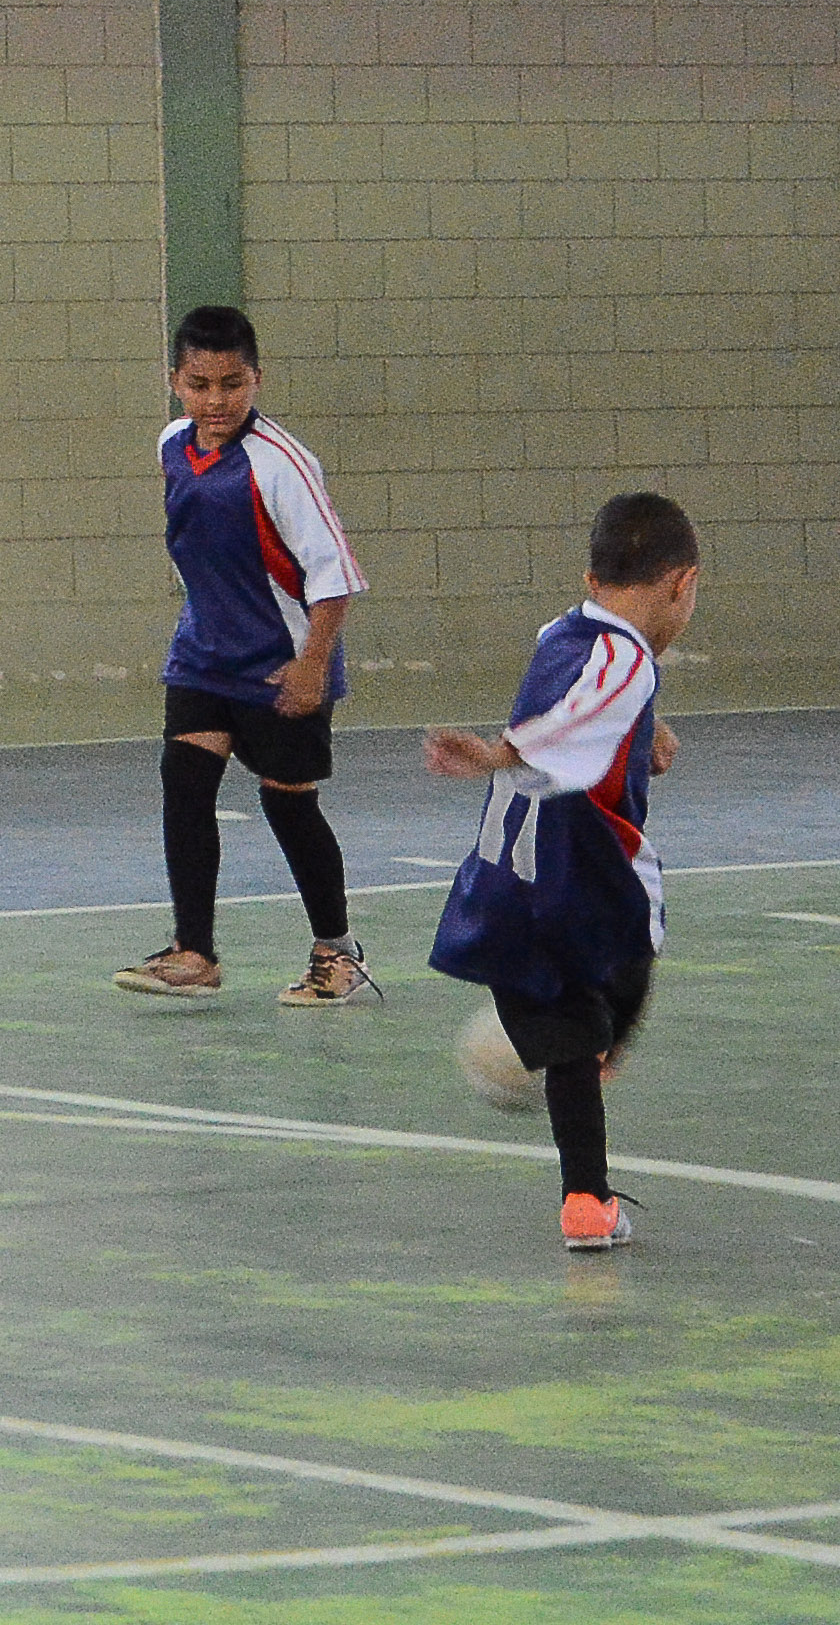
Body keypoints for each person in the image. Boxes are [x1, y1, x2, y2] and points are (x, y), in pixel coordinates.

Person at [423, 490, 700, 1254]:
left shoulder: (565, 632)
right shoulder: (627, 662)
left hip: (504, 883)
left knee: (568, 1033)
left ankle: (587, 1202)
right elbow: (573, 714)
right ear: (683, 583)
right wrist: (497, 753)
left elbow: (585, 694)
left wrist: (649, 730)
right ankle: (599, 1059)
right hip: (586, 876)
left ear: (591, 576)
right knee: (633, 955)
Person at [123, 304, 372, 1009]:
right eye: (200, 384)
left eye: (232, 383)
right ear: (176, 381)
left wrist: (313, 666)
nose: (217, 400)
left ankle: (338, 953)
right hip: (204, 654)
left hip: (281, 659)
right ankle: (195, 951)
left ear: (257, 379)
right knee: (185, 781)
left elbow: (334, 577)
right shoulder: (173, 445)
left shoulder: (283, 465)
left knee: (288, 807)